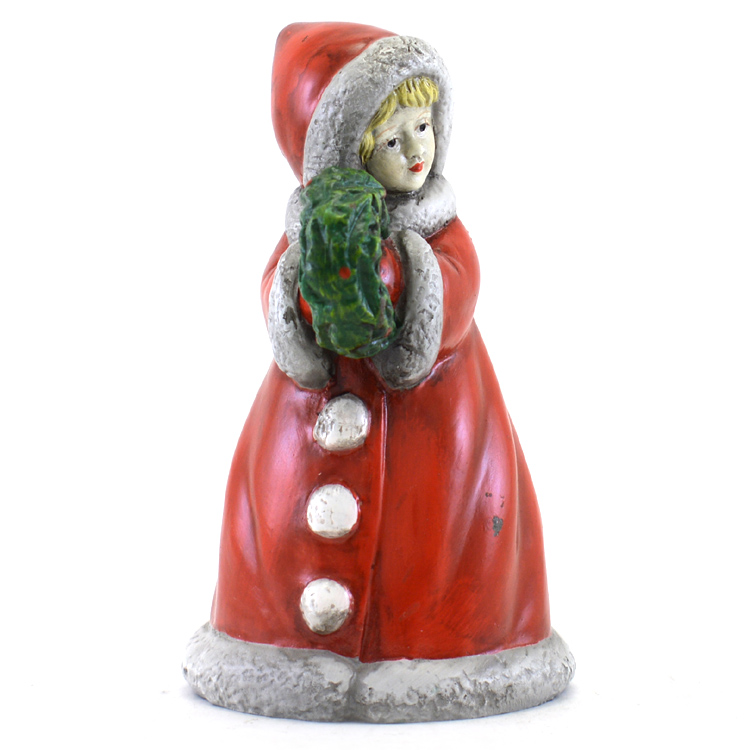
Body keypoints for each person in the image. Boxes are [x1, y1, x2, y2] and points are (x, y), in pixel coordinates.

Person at [184, 22, 574, 722]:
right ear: (349, 156)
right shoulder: (308, 231)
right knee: (275, 514)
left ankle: (440, 642)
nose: (418, 151)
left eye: (423, 127)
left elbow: (455, 292)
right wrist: (317, 286)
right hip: (312, 414)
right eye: (393, 141)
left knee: (435, 540)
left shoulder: (439, 230)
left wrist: (391, 276)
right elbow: (279, 289)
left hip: (437, 427)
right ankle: (280, 643)